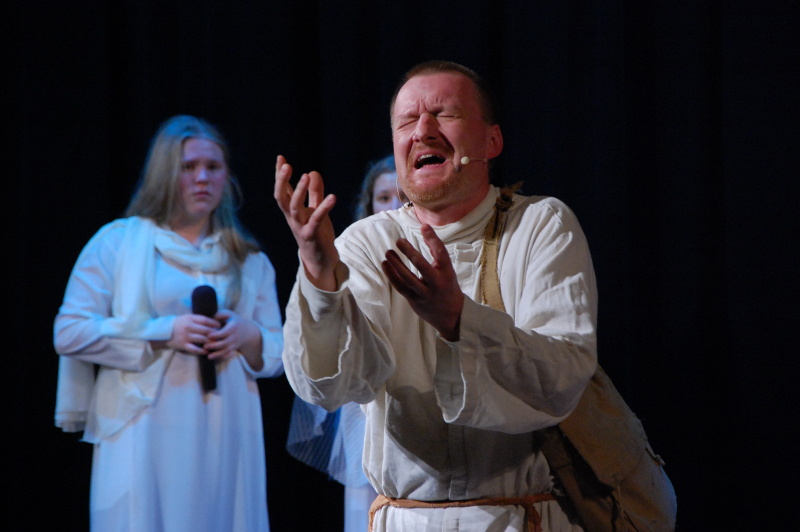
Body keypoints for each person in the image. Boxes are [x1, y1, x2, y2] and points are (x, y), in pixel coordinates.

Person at [274, 60, 598, 532]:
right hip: (408, 520)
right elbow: (332, 385)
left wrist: (459, 320)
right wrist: (321, 276)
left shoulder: (540, 225)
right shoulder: (366, 242)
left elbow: (563, 376)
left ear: (491, 141)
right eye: (407, 120)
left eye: (445, 114)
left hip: (520, 518)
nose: (423, 130)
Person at [54, 115, 285, 532]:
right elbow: (69, 331)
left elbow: (283, 352)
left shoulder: (249, 260)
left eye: (213, 167)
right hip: (144, 426)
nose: (202, 178)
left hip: (226, 426)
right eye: (188, 167)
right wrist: (164, 332)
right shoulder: (118, 242)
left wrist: (247, 335)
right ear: (164, 173)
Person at [286, 155, 404, 532]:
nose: (393, 205)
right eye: (383, 197)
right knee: (365, 506)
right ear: (369, 206)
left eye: (401, 195)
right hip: (363, 407)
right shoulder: (350, 260)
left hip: (415, 406)